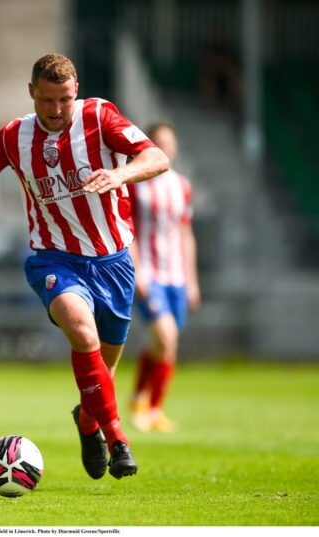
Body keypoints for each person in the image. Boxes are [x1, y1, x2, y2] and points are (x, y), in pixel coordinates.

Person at [0, 54, 169, 480]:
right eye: (48, 100)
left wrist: (121, 175)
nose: (56, 110)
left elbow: (158, 157)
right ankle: (118, 439)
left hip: (113, 261)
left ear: (77, 93)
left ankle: (88, 420)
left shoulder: (99, 116)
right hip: (53, 258)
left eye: (65, 100)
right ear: (31, 92)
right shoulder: (14, 136)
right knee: (80, 330)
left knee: (103, 371)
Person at [128, 122, 200, 433]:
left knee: (162, 344)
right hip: (150, 274)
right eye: (158, 142)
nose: (165, 147)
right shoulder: (135, 185)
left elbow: (186, 234)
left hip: (176, 277)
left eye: (169, 142)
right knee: (167, 338)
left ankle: (137, 398)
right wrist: (137, 269)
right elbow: (127, 231)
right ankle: (154, 410)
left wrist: (192, 280)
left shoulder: (182, 185)